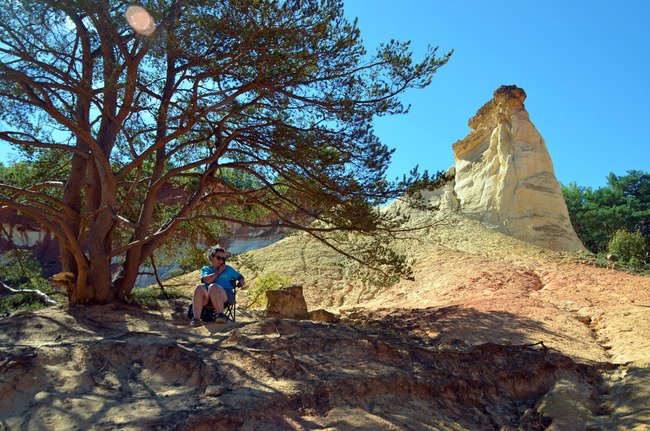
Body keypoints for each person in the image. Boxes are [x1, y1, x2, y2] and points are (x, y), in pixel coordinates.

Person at [189, 246, 245, 327]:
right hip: (209, 298)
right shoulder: (206, 269)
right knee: (199, 287)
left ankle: (221, 315)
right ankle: (196, 319)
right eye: (218, 258)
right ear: (211, 257)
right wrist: (219, 272)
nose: (221, 261)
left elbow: (240, 276)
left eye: (223, 259)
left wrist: (241, 281)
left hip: (225, 296)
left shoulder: (228, 269)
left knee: (213, 287)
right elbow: (207, 280)